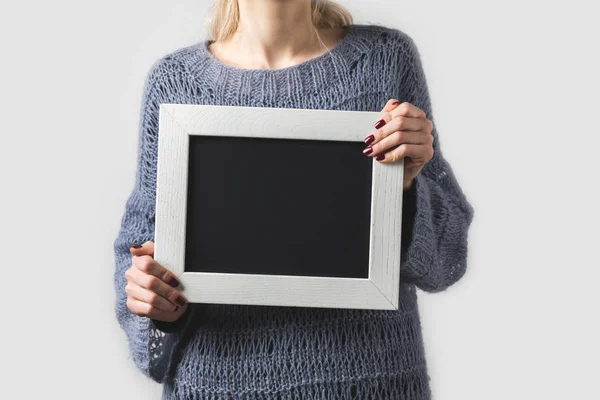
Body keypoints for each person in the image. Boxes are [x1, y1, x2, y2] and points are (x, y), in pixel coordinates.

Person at [113, 0, 475, 398]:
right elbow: (141, 264)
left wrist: (407, 186)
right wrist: (153, 301)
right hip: (218, 385)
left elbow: (446, 260)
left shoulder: (385, 60)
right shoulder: (174, 83)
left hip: (372, 383)